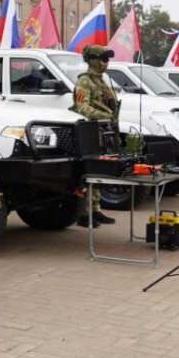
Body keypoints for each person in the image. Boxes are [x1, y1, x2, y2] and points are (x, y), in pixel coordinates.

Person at [71, 45, 120, 227]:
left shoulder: (101, 81)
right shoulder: (85, 81)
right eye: (103, 59)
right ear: (93, 60)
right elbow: (82, 108)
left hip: (104, 132)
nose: (106, 63)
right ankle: (85, 214)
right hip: (92, 133)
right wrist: (106, 117)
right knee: (90, 173)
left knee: (100, 173)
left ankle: (96, 209)